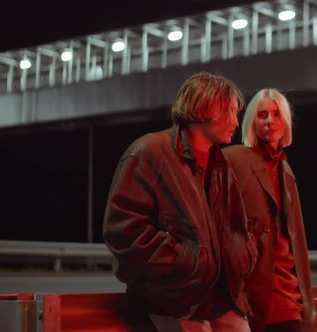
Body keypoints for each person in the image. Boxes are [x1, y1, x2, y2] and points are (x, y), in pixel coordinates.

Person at [103, 71, 257, 332]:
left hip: (217, 299)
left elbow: (239, 227)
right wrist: (184, 261)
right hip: (170, 300)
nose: (235, 121)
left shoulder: (221, 164)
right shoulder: (149, 151)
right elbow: (123, 230)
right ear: (202, 108)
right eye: (228, 111)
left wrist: (243, 256)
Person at [223, 89, 314, 332]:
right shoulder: (232, 159)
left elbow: (296, 244)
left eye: (276, 114)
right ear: (252, 121)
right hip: (248, 297)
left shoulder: (286, 171)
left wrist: (304, 302)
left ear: (286, 121)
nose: (269, 120)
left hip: (287, 296)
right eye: (262, 114)